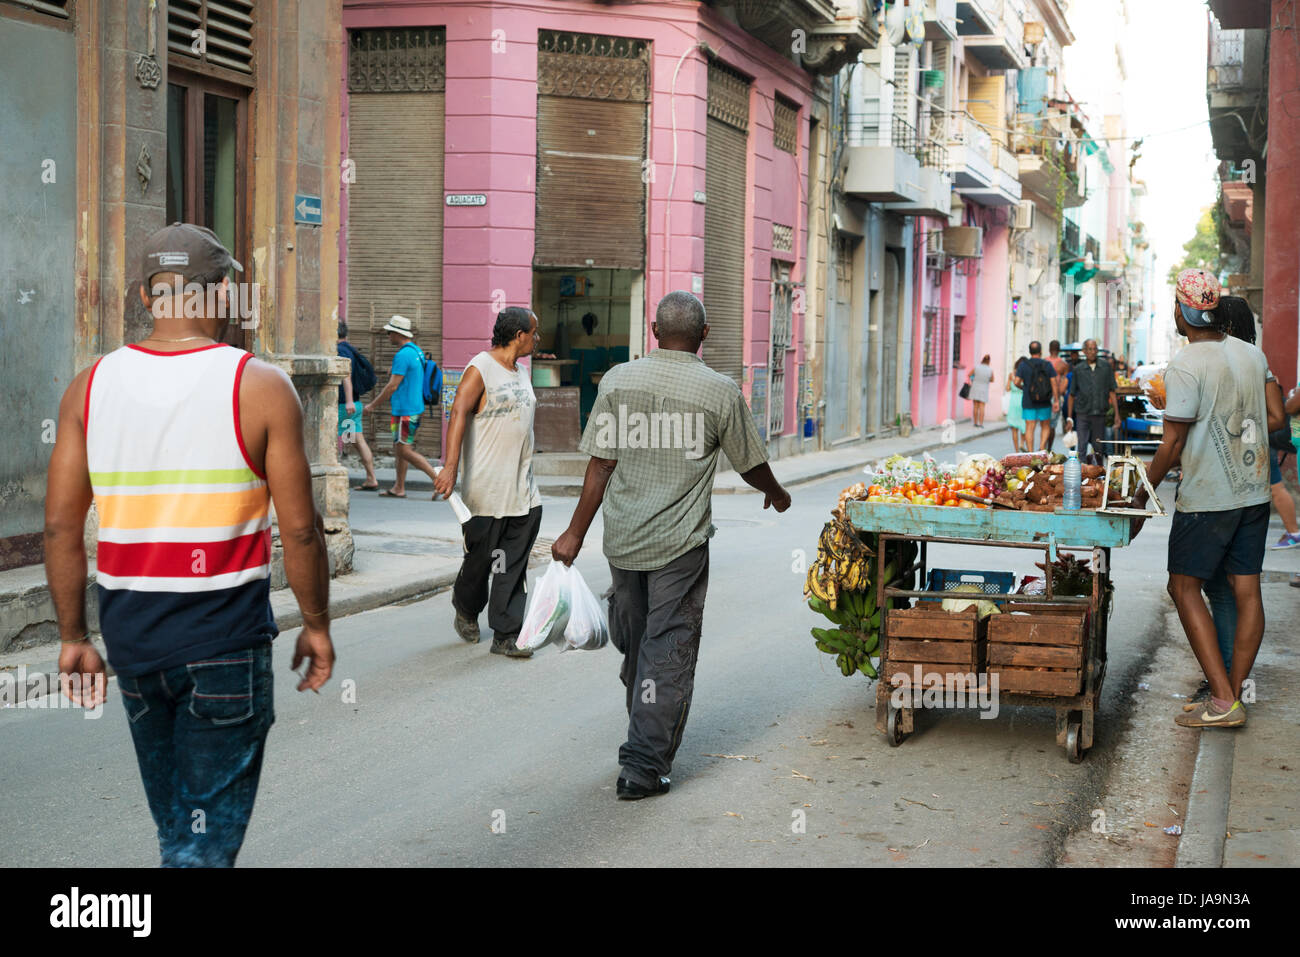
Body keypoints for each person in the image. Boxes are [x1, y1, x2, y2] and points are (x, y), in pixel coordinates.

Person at [44, 223, 335, 866]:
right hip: (224, 646)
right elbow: (302, 529)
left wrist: (72, 637)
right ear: (221, 294)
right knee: (200, 848)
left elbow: (63, 529)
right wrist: (316, 624)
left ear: (150, 297)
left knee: (181, 830)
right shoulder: (259, 386)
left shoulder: (87, 389)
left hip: (135, 647)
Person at [551, 291, 791, 800]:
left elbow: (601, 464)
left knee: (642, 642)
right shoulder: (720, 391)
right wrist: (775, 492)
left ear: (654, 331)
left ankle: (643, 733)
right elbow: (749, 463)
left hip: (623, 540)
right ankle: (643, 766)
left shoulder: (617, 380)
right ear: (705, 336)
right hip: (679, 545)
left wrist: (575, 533)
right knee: (668, 648)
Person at [1139, 269, 1270, 729]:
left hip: (1209, 496)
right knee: (1247, 590)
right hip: (1253, 492)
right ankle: (1228, 696)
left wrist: (1141, 493)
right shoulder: (1252, 355)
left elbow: (1172, 444)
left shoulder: (1186, 363)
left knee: (1183, 586)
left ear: (1183, 310)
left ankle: (1221, 698)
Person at [1186, 295, 1292, 707]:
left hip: (1225, 486)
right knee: (1239, 586)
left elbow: (1266, 420)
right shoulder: (1254, 360)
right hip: (1252, 480)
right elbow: (1276, 416)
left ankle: (1229, 683)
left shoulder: (1224, 363)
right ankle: (1232, 681)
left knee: (1210, 586)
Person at [434, 307, 542, 659]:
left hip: (523, 490)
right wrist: (450, 467)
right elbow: (458, 411)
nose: (537, 339)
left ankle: (506, 635)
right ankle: (466, 606)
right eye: (533, 333)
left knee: (513, 565)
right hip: (486, 490)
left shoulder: (522, 371)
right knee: (481, 562)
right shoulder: (480, 367)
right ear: (518, 335)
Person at [363, 315, 441, 498]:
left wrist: (373, 405)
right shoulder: (416, 351)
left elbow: (392, 386)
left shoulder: (402, 355)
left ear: (398, 333)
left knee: (404, 450)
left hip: (405, 410)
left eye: (390, 332)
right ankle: (399, 487)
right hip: (411, 407)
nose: (388, 336)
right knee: (400, 448)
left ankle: (437, 479)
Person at [337, 320, 379, 491]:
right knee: (356, 441)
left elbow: (345, 376)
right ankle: (371, 478)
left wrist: (347, 401)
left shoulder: (339, 350)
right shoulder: (350, 349)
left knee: (328, 441)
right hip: (354, 404)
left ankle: (333, 478)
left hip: (343, 405)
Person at [1068, 339, 1119, 464]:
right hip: (1082, 413)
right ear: (1084, 351)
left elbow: (1112, 391)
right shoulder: (1078, 369)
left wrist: (1117, 414)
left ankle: (1099, 476)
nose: (1092, 352)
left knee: (1098, 448)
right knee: (1082, 447)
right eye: (1089, 349)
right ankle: (1082, 476)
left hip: (1099, 413)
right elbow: (1071, 394)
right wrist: (1069, 418)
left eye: (1095, 349)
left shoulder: (1105, 367)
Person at [1014, 341, 1055, 454]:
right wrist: (1056, 399)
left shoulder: (1023, 365)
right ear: (1041, 351)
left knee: (1029, 427)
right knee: (1045, 425)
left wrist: (1024, 388)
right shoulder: (1047, 365)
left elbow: (1016, 382)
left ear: (1029, 351)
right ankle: (1042, 449)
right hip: (1045, 400)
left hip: (1029, 400)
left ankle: (1031, 453)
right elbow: (1053, 382)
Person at [1045, 340, 1070, 453]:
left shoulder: (1044, 362)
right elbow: (1065, 382)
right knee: (1052, 425)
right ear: (1059, 350)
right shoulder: (1063, 365)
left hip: (1044, 396)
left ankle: (1043, 447)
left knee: (1044, 423)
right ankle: (1049, 448)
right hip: (1056, 396)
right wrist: (1060, 394)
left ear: (1049, 349)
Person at [966, 354, 994, 427]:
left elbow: (969, 374)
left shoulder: (977, 367)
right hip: (984, 389)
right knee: (982, 407)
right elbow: (992, 379)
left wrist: (974, 378)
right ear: (989, 361)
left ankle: (975, 423)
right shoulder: (990, 370)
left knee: (975, 406)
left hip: (975, 387)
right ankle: (981, 423)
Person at [1005, 359, 1027, 452]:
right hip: (1023, 400)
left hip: (1013, 402)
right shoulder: (1025, 375)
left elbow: (1007, 388)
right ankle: (1022, 443)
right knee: (1024, 424)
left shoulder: (1011, 375)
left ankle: (1016, 450)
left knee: (1014, 428)